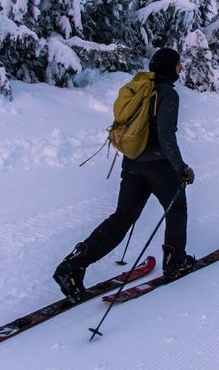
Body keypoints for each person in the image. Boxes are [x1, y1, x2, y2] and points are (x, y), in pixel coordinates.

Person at [53, 48, 197, 299]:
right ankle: (175, 263)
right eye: (178, 64)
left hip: (131, 162)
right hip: (158, 165)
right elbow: (166, 136)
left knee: (122, 218)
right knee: (176, 209)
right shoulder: (168, 94)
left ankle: (72, 266)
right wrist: (181, 168)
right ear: (168, 67)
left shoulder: (140, 88)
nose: (181, 68)